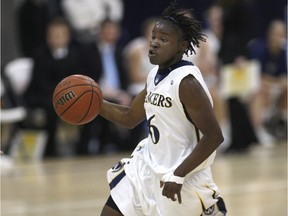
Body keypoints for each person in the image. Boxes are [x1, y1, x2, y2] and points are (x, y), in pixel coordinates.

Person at [99, 2, 227, 215]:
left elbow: (214, 136)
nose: (155, 44)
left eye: (164, 39)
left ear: (182, 46)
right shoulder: (154, 75)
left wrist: (178, 175)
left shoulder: (187, 83)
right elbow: (131, 117)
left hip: (182, 177)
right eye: (153, 37)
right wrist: (96, 105)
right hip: (146, 166)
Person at [24, 17, 88, 157]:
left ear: (67, 36)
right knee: (51, 107)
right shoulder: (40, 54)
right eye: (51, 35)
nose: (55, 39)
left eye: (58, 35)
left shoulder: (76, 55)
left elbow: (81, 79)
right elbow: (39, 83)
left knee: (89, 103)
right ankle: (50, 151)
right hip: (43, 95)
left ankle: (84, 149)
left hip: (71, 95)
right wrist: (61, 95)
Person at [248, 19, 287, 142]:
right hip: (257, 86)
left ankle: (282, 122)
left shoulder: (283, 52)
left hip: (274, 86)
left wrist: (279, 82)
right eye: (277, 34)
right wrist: (275, 81)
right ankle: (258, 130)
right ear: (270, 34)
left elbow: (284, 76)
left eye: (282, 35)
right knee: (260, 90)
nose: (280, 38)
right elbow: (256, 75)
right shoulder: (259, 49)